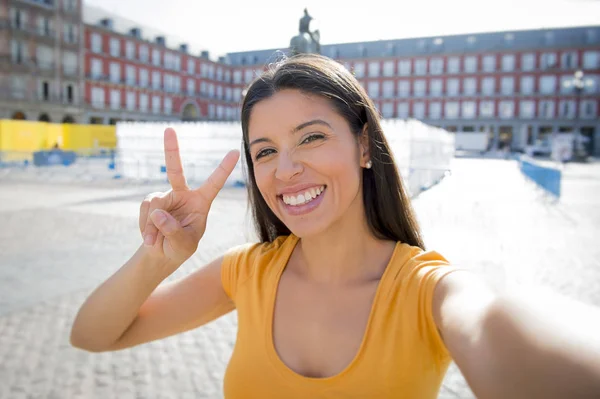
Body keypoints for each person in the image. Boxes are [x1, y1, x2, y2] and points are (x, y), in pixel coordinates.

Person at [70, 54, 600, 398]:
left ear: (365, 145)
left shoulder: (428, 292)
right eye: (265, 151)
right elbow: (92, 335)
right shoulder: (245, 273)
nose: (285, 169)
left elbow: (497, 323)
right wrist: (156, 259)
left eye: (312, 137)